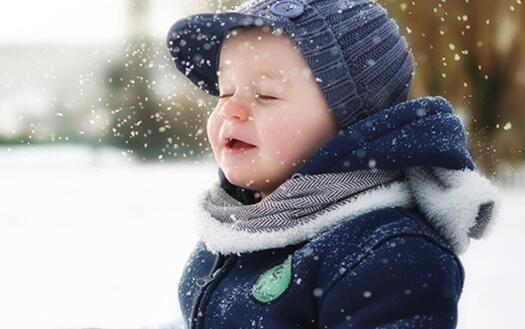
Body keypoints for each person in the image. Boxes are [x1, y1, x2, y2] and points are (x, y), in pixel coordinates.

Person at [166, 0, 501, 328]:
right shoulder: (237, 224)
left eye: (266, 94)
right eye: (224, 92)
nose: (229, 109)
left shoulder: (387, 255)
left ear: (351, 126)